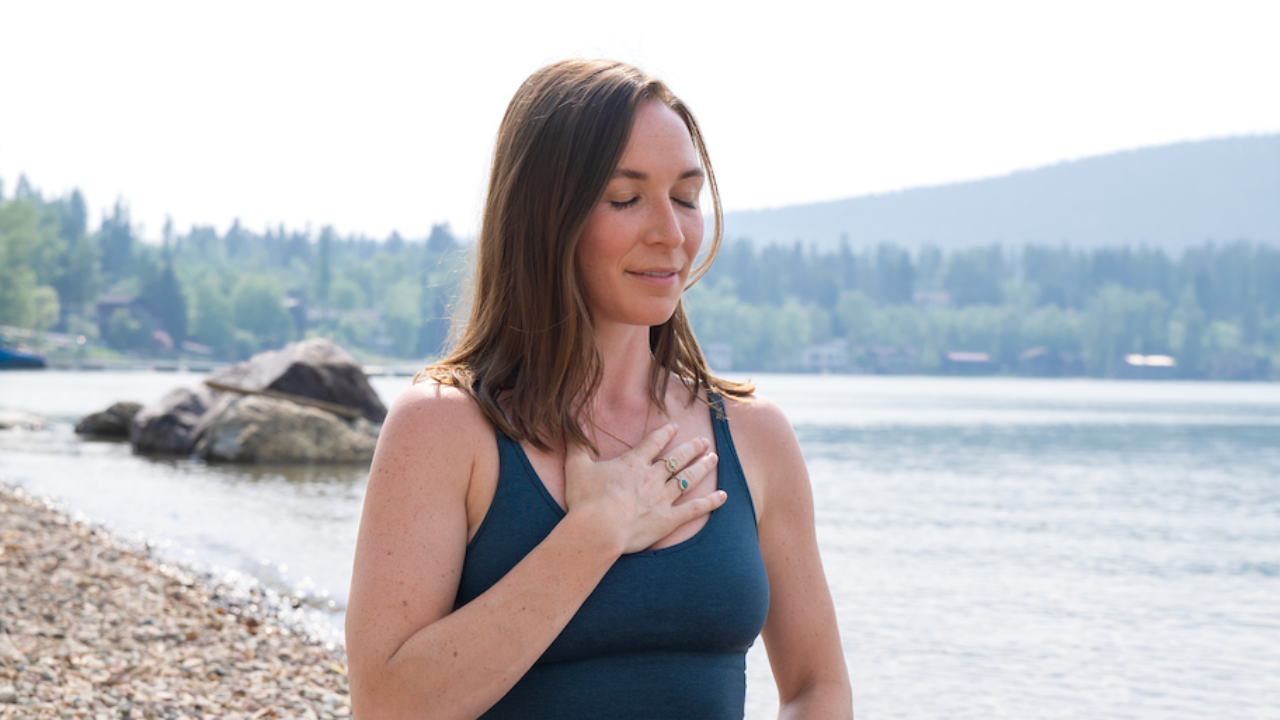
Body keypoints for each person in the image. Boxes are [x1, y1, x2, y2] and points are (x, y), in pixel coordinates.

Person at [345, 59, 852, 719]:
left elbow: (817, 687)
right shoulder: (442, 427)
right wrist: (594, 534)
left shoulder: (755, 435)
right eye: (625, 198)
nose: (671, 232)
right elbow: (386, 705)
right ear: (544, 215)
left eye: (686, 197)